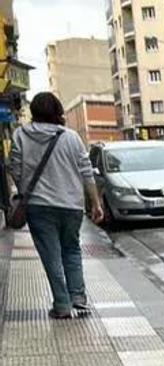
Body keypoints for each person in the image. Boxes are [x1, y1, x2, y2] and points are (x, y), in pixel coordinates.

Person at [6, 92, 104, 318]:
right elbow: (86, 172)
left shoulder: (20, 135)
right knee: (71, 249)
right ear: (58, 111)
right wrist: (96, 203)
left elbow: (15, 168)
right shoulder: (71, 137)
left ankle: (62, 305)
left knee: (51, 255)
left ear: (34, 113)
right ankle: (78, 299)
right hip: (72, 205)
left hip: (39, 206)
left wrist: (24, 191)